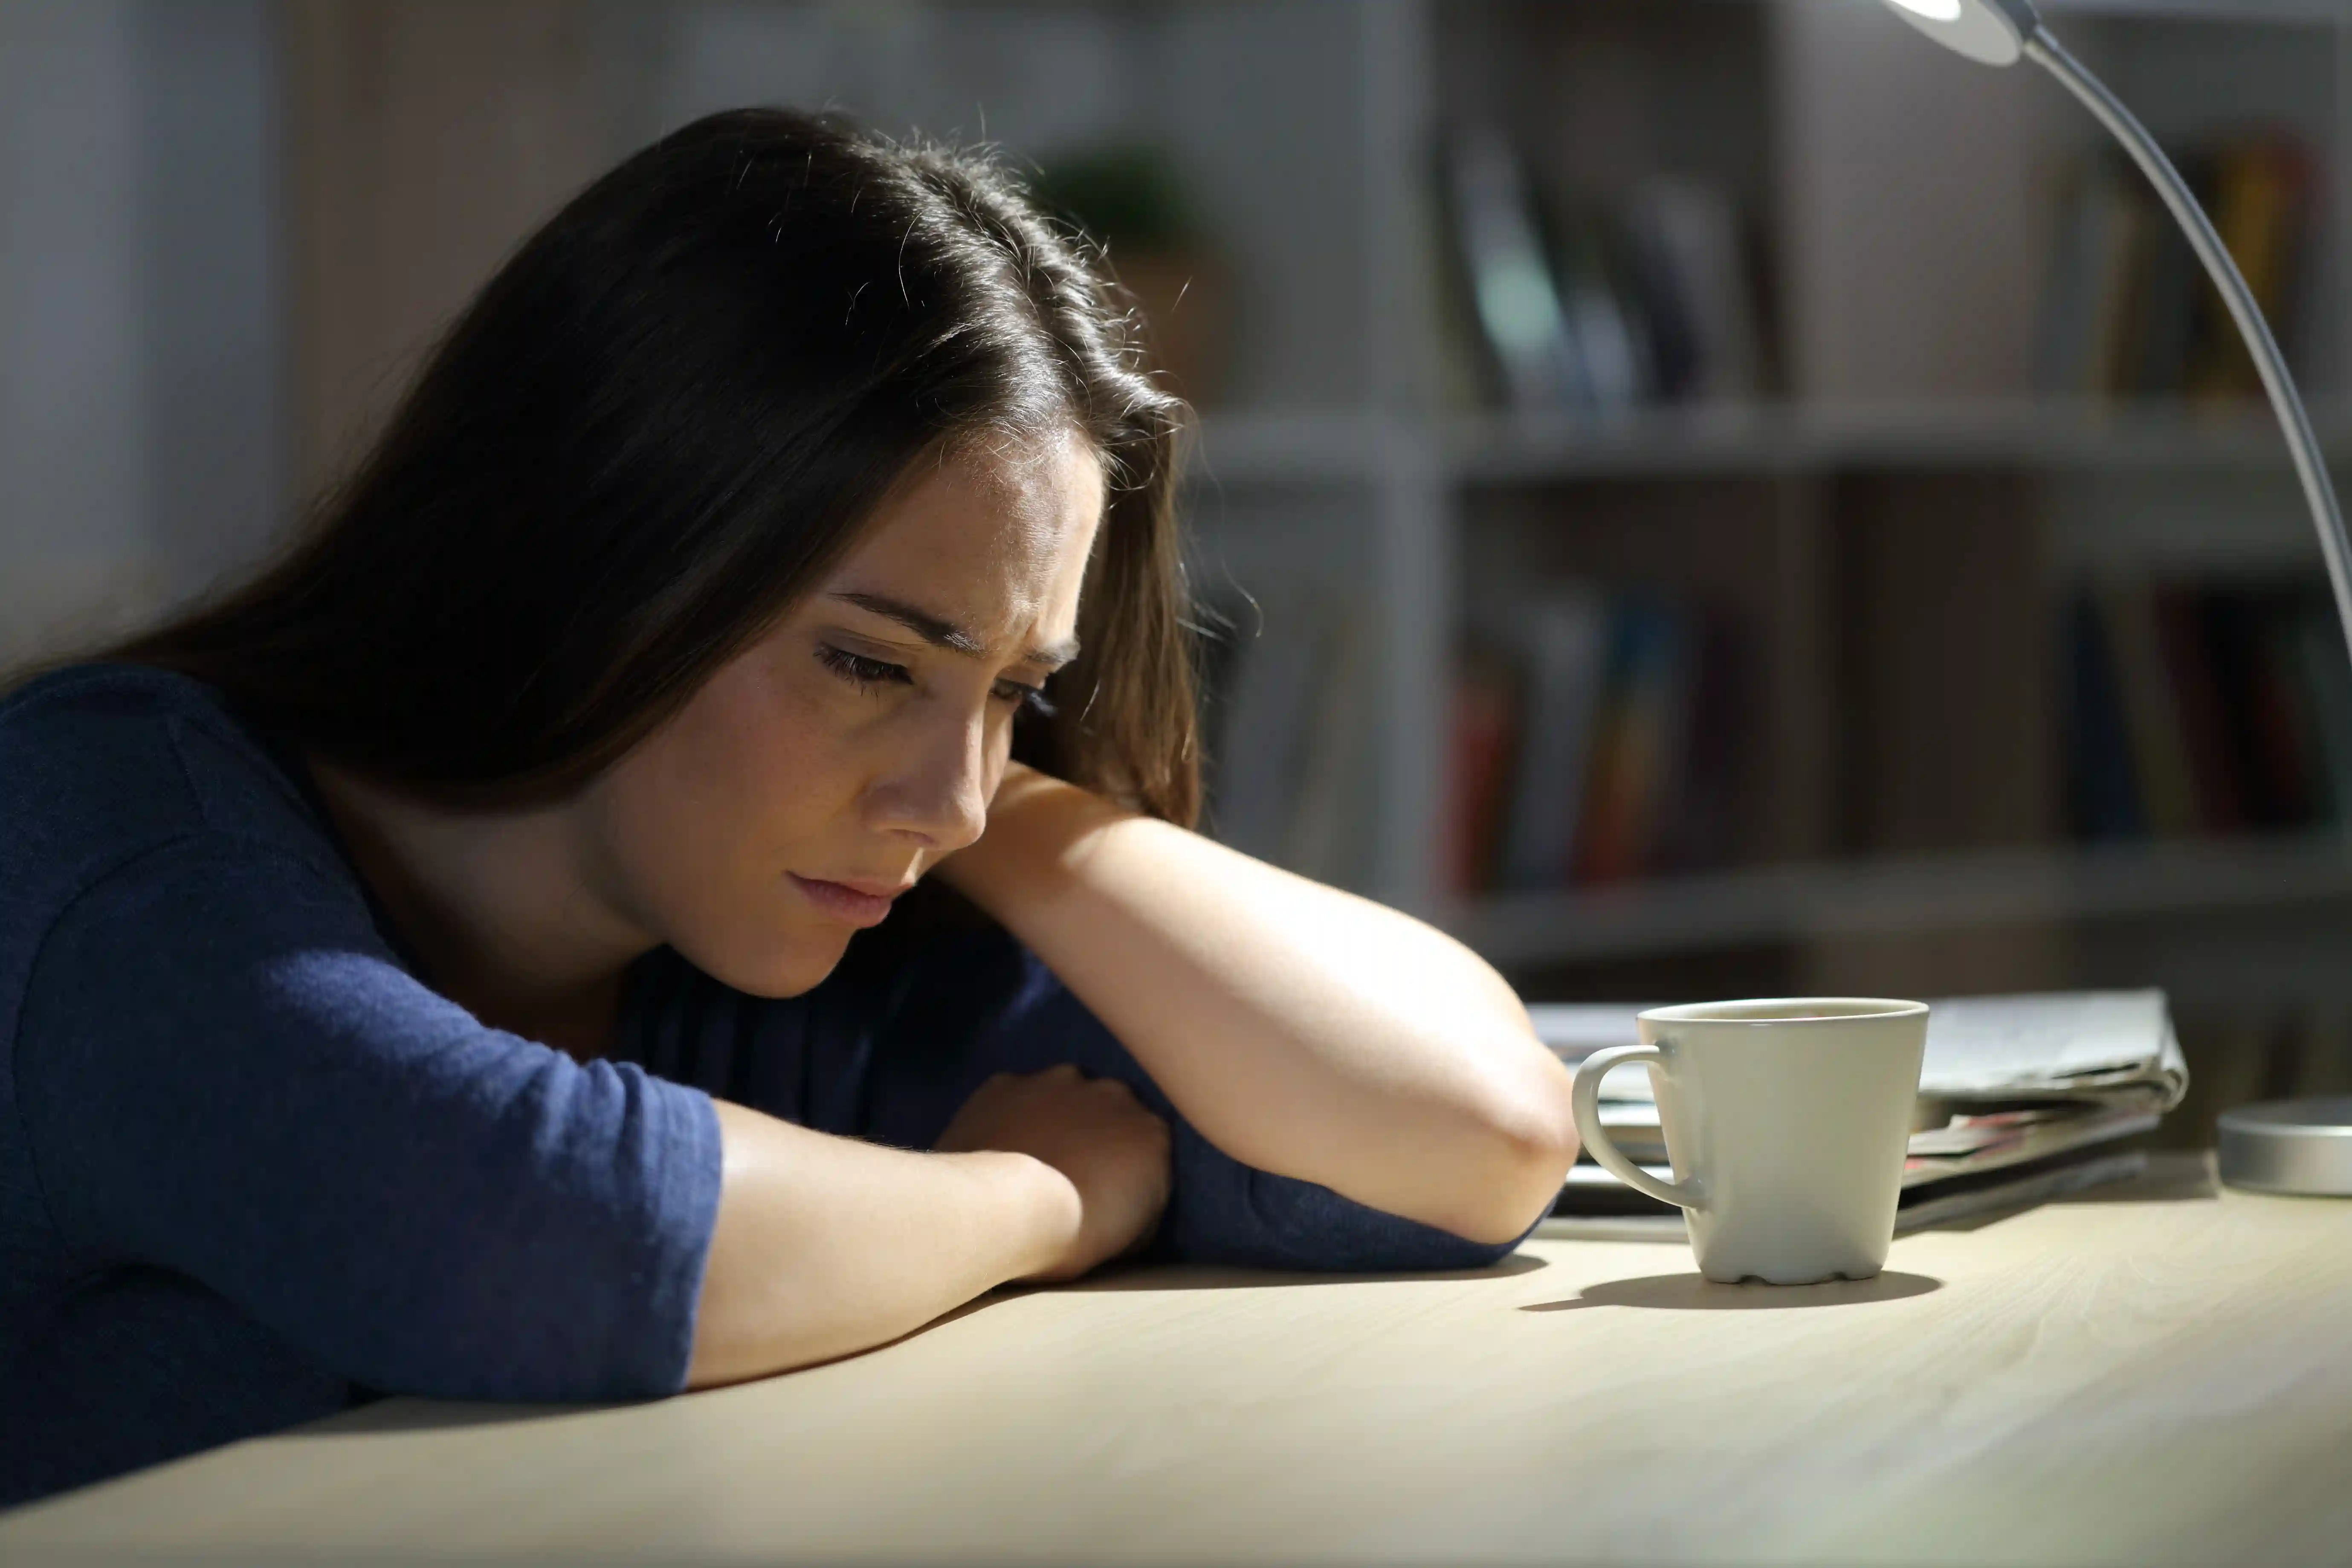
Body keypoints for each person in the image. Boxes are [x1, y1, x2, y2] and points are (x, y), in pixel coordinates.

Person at [0, 108, 1577, 1505]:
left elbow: (1467, 1133)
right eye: (863, 659)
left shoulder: (774, 923)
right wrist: (1025, 1198)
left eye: (1020, 687)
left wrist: (1012, 790)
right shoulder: (108, 837)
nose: (947, 803)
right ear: (601, 549)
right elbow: (530, 1234)